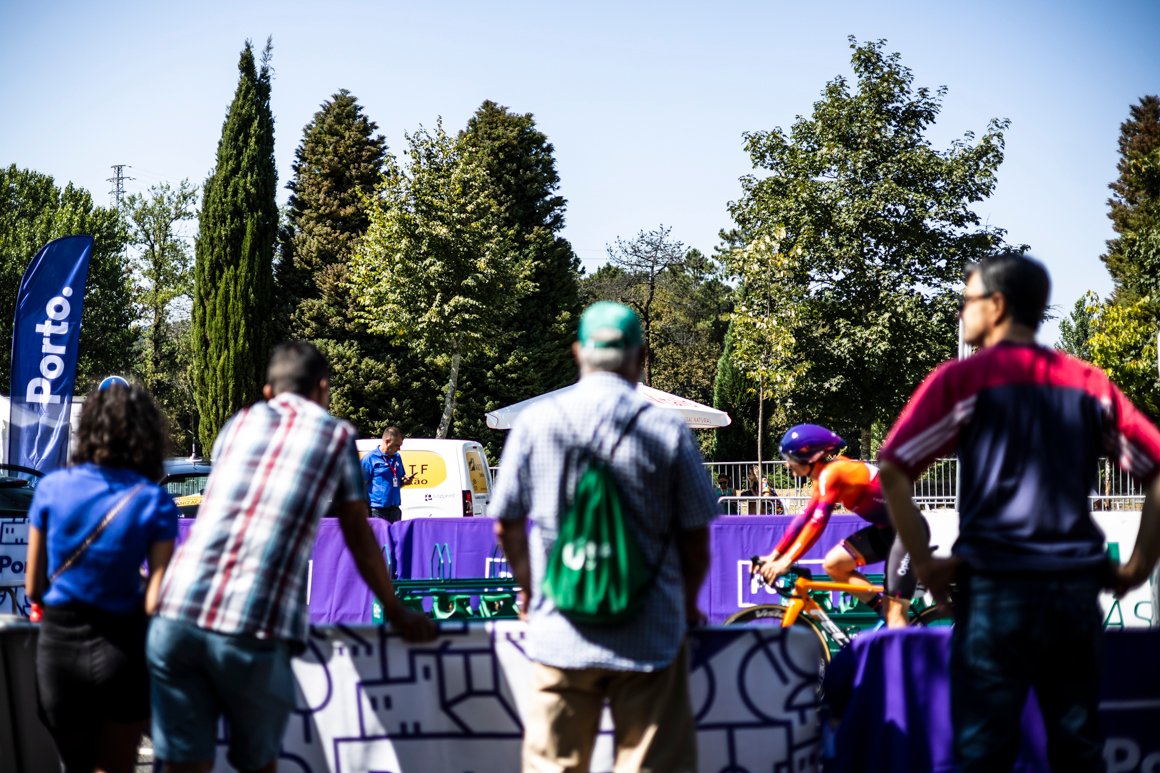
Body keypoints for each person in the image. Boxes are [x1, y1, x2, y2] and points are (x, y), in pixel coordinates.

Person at [877, 252, 1160, 771]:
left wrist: (927, 561)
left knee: (983, 753)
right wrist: (1139, 566)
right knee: (1079, 751)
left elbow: (894, 467)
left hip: (994, 593)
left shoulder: (962, 380)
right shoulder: (1088, 383)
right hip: (1074, 595)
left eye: (967, 300)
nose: (961, 312)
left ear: (998, 304)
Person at [147, 342, 437, 773]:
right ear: (323, 388)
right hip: (251, 620)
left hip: (175, 614)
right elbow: (358, 533)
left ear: (269, 391)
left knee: (183, 767)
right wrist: (394, 610)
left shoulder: (237, 424)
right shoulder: (336, 436)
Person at [493, 301, 717, 773]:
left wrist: (531, 590)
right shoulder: (666, 427)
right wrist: (687, 602)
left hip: (561, 631)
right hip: (650, 632)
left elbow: (506, 524)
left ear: (578, 352)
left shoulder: (537, 421)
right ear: (641, 358)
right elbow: (696, 536)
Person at [24, 376, 178, 773]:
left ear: (89, 427)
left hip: (58, 649)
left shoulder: (51, 488)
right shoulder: (154, 501)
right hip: (123, 649)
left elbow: (33, 587)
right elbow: (155, 601)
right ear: (145, 434)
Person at [755, 424, 928, 627]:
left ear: (808, 456)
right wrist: (774, 555)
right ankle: (883, 610)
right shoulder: (822, 479)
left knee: (896, 613)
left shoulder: (834, 473)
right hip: (887, 531)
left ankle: (899, 629)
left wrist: (787, 561)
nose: (787, 464)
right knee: (834, 564)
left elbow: (817, 523)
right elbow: (803, 519)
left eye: (789, 458)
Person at [361, 425, 413, 521]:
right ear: (387, 441)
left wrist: (405, 481)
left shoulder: (397, 457)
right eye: (397, 445)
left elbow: (397, 480)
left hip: (395, 510)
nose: (399, 448)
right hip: (377, 511)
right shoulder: (370, 458)